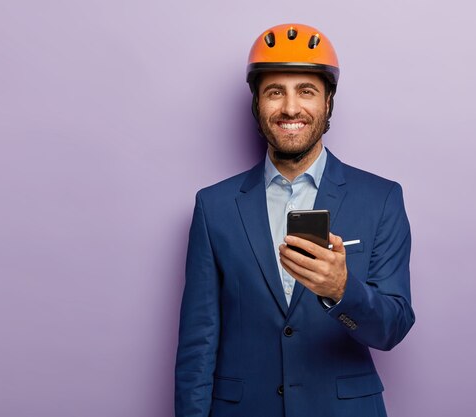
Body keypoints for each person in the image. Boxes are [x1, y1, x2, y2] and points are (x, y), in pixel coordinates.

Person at [174, 23, 415, 417]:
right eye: (275, 92)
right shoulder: (213, 206)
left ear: (328, 102)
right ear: (256, 103)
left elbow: (392, 328)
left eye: (306, 91)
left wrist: (341, 289)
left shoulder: (381, 199)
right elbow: (198, 344)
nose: (289, 108)